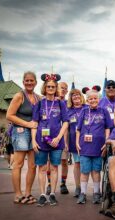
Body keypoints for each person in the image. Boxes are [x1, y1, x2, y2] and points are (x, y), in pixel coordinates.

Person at [32, 74, 68, 207]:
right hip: (41, 141)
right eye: (49, 86)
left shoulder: (61, 103)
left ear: (56, 88)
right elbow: (35, 123)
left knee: (54, 167)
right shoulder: (39, 103)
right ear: (45, 88)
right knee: (41, 168)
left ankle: (52, 193)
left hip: (56, 142)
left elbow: (65, 122)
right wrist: (33, 141)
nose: (51, 88)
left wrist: (58, 138)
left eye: (53, 86)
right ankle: (42, 194)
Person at [6, 71, 39, 204]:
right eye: (27, 80)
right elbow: (9, 115)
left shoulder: (38, 98)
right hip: (20, 131)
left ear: (36, 82)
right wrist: (27, 124)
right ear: (23, 82)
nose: (29, 83)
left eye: (32, 80)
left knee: (32, 165)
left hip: (34, 133)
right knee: (18, 164)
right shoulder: (19, 96)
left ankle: (28, 193)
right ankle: (18, 194)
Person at [76, 86, 112, 204]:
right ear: (87, 100)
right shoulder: (84, 111)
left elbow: (107, 128)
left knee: (96, 171)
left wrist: (106, 142)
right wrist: (77, 142)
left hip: (99, 146)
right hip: (84, 147)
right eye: (90, 99)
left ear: (98, 99)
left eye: (95, 98)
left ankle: (97, 193)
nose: (93, 100)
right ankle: (83, 194)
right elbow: (78, 129)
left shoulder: (104, 111)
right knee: (84, 171)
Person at [46, 81, 70, 195]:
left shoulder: (68, 104)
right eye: (61, 87)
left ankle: (63, 183)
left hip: (64, 136)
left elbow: (67, 123)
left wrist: (65, 141)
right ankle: (50, 183)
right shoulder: (49, 101)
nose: (63, 90)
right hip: (51, 136)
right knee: (50, 162)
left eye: (65, 88)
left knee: (64, 161)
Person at [66, 88, 87, 197]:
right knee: (77, 164)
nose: (76, 96)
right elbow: (66, 128)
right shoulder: (68, 110)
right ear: (71, 98)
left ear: (81, 96)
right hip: (74, 141)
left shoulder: (87, 108)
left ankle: (92, 189)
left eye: (78, 94)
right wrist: (65, 142)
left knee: (88, 164)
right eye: (73, 95)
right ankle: (78, 187)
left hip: (88, 142)